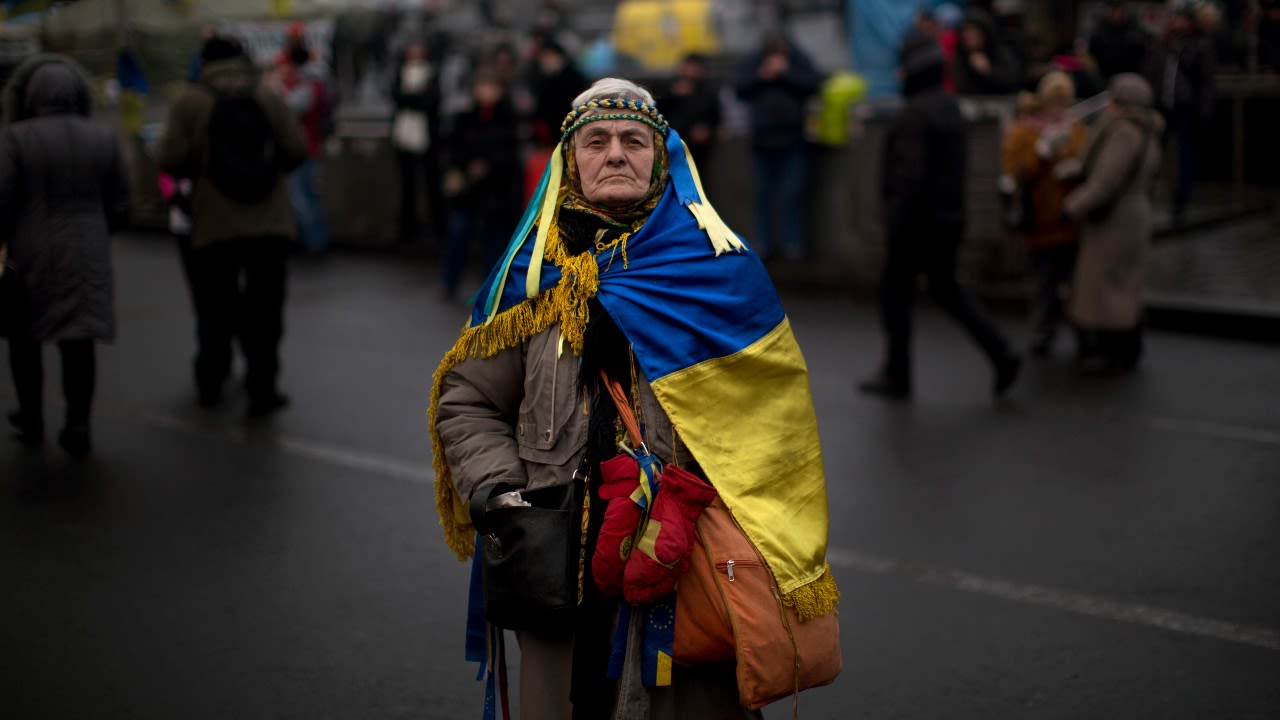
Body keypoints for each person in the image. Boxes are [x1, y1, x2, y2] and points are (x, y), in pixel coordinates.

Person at [430, 77, 837, 719]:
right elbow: (467, 402)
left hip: (686, 569)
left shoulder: (720, 271)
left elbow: (775, 430)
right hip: (556, 566)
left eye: (632, 140)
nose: (615, 154)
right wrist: (501, 492)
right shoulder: (532, 277)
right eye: (595, 141)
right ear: (570, 161)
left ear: (661, 156)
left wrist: (690, 497)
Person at [859, 32, 1021, 400]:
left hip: (915, 225)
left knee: (896, 298)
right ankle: (1001, 352)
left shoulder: (915, 114)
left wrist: (895, 222)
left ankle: (897, 375)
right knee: (949, 292)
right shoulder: (950, 107)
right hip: (948, 219)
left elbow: (909, 178)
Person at [157, 35, 308, 417]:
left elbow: (169, 158)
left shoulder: (190, 101)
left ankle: (210, 382)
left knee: (214, 308)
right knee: (266, 311)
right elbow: (296, 150)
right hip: (270, 224)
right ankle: (263, 389)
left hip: (214, 225)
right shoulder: (267, 95)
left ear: (203, 61)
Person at [0, 54, 130, 456]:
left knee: (25, 337)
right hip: (88, 247)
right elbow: (122, 204)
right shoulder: (103, 136)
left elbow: (2, 201)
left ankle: (32, 417)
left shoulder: (14, 137)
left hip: (29, 248)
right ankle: (78, 423)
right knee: (79, 339)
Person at [1061, 73, 1162, 376]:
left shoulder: (1123, 132)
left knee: (1104, 287)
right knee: (1124, 284)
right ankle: (1124, 346)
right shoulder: (1148, 131)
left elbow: (1106, 181)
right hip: (1135, 213)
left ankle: (1111, 350)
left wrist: (1071, 207)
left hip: (1115, 219)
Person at [1000, 71, 1088, 357]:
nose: (1059, 109)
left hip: (1068, 218)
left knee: (1076, 282)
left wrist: (1076, 166)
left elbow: (1085, 157)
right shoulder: (1023, 132)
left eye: (1064, 102)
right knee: (1044, 282)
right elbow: (1015, 173)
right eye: (1054, 102)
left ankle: (1083, 333)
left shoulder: (1074, 128)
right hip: (1038, 220)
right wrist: (1041, 154)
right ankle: (1042, 332)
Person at [732, 32, 821, 261]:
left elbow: (814, 83)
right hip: (762, 141)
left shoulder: (798, 60)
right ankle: (764, 243)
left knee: (791, 194)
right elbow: (739, 87)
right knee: (762, 195)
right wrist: (763, 76)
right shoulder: (754, 61)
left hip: (792, 140)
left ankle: (793, 244)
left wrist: (785, 74)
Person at [438, 71, 523, 301]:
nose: (487, 92)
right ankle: (449, 282)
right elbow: (453, 148)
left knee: (493, 242)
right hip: (470, 190)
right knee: (459, 234)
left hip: (496, 190)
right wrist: (468, 165)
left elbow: (510, 155)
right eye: (483, 86)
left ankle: (489, 289)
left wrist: (486, 165)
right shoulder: (465, 117)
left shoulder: (507, 119)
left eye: (492, 87)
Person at [1143, 7, 1215, 222]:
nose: (1176, 23)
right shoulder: (1163, 43)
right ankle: (1145, 198)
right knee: (1154, 154)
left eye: (1181, 20)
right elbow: (1152, 71)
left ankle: (1180, 203)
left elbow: (1206, 81)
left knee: (1185, 157)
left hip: (1186, 108)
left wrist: (1204, 110)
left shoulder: (1199, 45)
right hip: (1163, 106)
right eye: (1174, 19)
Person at [276, 41, 332, 254]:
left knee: (302, 198)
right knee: (308, 196)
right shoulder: (316, 82)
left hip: (304, 148)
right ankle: (314, 239)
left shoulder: (307, 86)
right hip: (310, 146)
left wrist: (280, 85)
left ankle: (314, 242)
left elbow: (288, 108)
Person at [391, 40, 444, 244]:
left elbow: (430, 101)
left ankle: (435, 227)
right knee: (408, 185)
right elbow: (398, 97)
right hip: (407, 135)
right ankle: (410, 227)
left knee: (430, 183)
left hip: (424, 136)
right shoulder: (404, 73)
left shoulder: (431, 73)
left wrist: (409, 98)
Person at [657, 53, 722, 172]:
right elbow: (659, 112)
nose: (690, 72)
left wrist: (707, 130)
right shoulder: (668, 89)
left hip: (699, 149)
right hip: (672, 144)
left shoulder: (708, 93)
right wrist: (673, 94)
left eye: (694, 68)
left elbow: (715, 117)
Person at [952, 8, 1022, 95]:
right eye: (967, 32)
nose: (971, 36)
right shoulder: (961, 54)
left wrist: (988, 71)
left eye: (975, 32)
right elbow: (961, 85)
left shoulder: (1000, 52)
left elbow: (1013, 80)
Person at [1089, 0, 1149, 84]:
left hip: (1128, 76)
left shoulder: (1132, 29)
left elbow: (1140, 52)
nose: (1114, 13)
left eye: (1117, 10)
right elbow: (1094, 50)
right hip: (1106, 75)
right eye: (1112, 10)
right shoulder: (1101, 30)